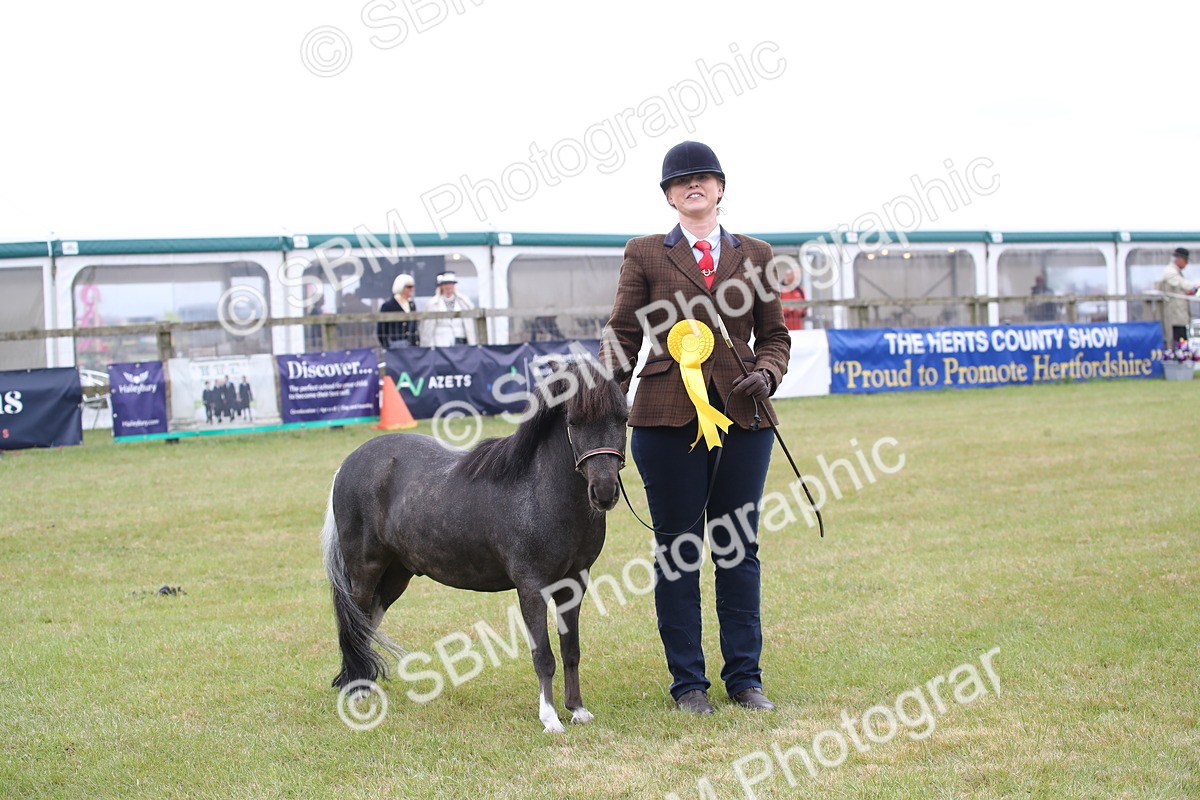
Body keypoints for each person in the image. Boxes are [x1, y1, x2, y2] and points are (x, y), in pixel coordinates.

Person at [599, 141, 792, 715]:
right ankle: (687, 684)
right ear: (668, 195)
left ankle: (745, 678)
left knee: (738, 549)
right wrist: (604, 396)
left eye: (703, 178)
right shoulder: (643, 253)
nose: (693, 186)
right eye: (681, 181)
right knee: (677, 551)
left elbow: (776, 336)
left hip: (743, 415)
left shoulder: (756, 254)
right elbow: (622, 335)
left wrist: (767, 371)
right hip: (664, 417)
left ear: (720, 188)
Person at [420, 271, 476, 347]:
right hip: (441, 341)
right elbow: (427, 327)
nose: (448, 286)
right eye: (445, 284)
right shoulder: (433, 303)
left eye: (450, 284)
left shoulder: (464, 301)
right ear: (441, 286)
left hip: (460, 339)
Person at [1156, 247, 1199, 344]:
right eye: (1186, 260)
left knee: (1182, 339)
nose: (1186, 264)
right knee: (1178, 340)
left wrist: (1195, 290)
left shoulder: (1176, 272)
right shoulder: (1170, 272)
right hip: (1173, 315)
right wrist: (1196, 286)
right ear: (1179, 259)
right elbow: (1185, 286)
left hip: (1180, 315)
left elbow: (1188, 291)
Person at [377, 274, 420, 349]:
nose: (412, 290)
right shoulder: (388, 305)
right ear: (401, 287)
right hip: (395, 344)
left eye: (413, 287)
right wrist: (387, 346)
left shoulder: (411, 304)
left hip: (411, 344)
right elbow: (381, 329)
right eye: (409, 287)